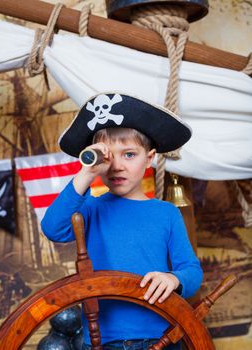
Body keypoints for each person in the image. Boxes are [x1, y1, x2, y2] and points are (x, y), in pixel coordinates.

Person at [41, 92, 203, 350]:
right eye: (108, 157)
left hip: (163, 335)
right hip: (102, 340)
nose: (117, 166)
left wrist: (174, 279)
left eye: (129, 154)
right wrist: (87, 172)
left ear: (149, 158)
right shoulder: (91, 208)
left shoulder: (166, 213)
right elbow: (52, 228)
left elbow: (192, 271)